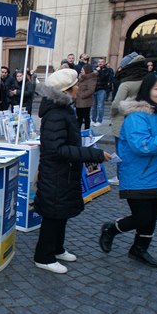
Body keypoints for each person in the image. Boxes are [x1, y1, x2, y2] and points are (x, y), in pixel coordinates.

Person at [99, 72, 157, 268]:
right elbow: (142, 146)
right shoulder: (137, 116)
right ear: (147, 90)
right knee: (142, 217)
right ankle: (111, 229)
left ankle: (139, 249)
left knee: (152, 218)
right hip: (139, 176)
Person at [33, 68, 110, 274]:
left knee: (61, 213)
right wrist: (92, 154)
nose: (79, 88)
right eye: (76, 85)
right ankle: (44, 256)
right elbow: (56, 149)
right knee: (53, 215)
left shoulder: (64, 108)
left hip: (64, 172)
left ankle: (57, 249)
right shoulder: (56, 113)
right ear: (67, 90)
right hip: (56, 173)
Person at [109, 52, 147, 185]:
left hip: (123, 120)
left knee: (121, 151)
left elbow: (116, 103)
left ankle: (121, 177)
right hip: (141, 119)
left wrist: (112, 113)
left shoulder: (126, 83)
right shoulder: (147, 79)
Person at [75, 64, 97, 130]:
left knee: (86, 117)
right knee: (79, 118)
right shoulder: (81, 78)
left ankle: (87, 131)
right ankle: (77, 131)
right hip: (78, 101)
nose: (81, 71)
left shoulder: (91, 79)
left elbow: (91, 90)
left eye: (82, 70)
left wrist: (82, 95)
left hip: (85, 102)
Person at [90, 58, 110, 125]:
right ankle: (93, 119)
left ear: (104, 63)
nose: (100, 63)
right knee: (93, 106)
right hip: (94, 89)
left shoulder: (107, 70)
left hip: (102, 89)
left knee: (100, 106)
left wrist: (99, 71)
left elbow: (103, 78)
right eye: (99, 62)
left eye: (102, 62)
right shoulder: (95, 69)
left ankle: (99, 121)